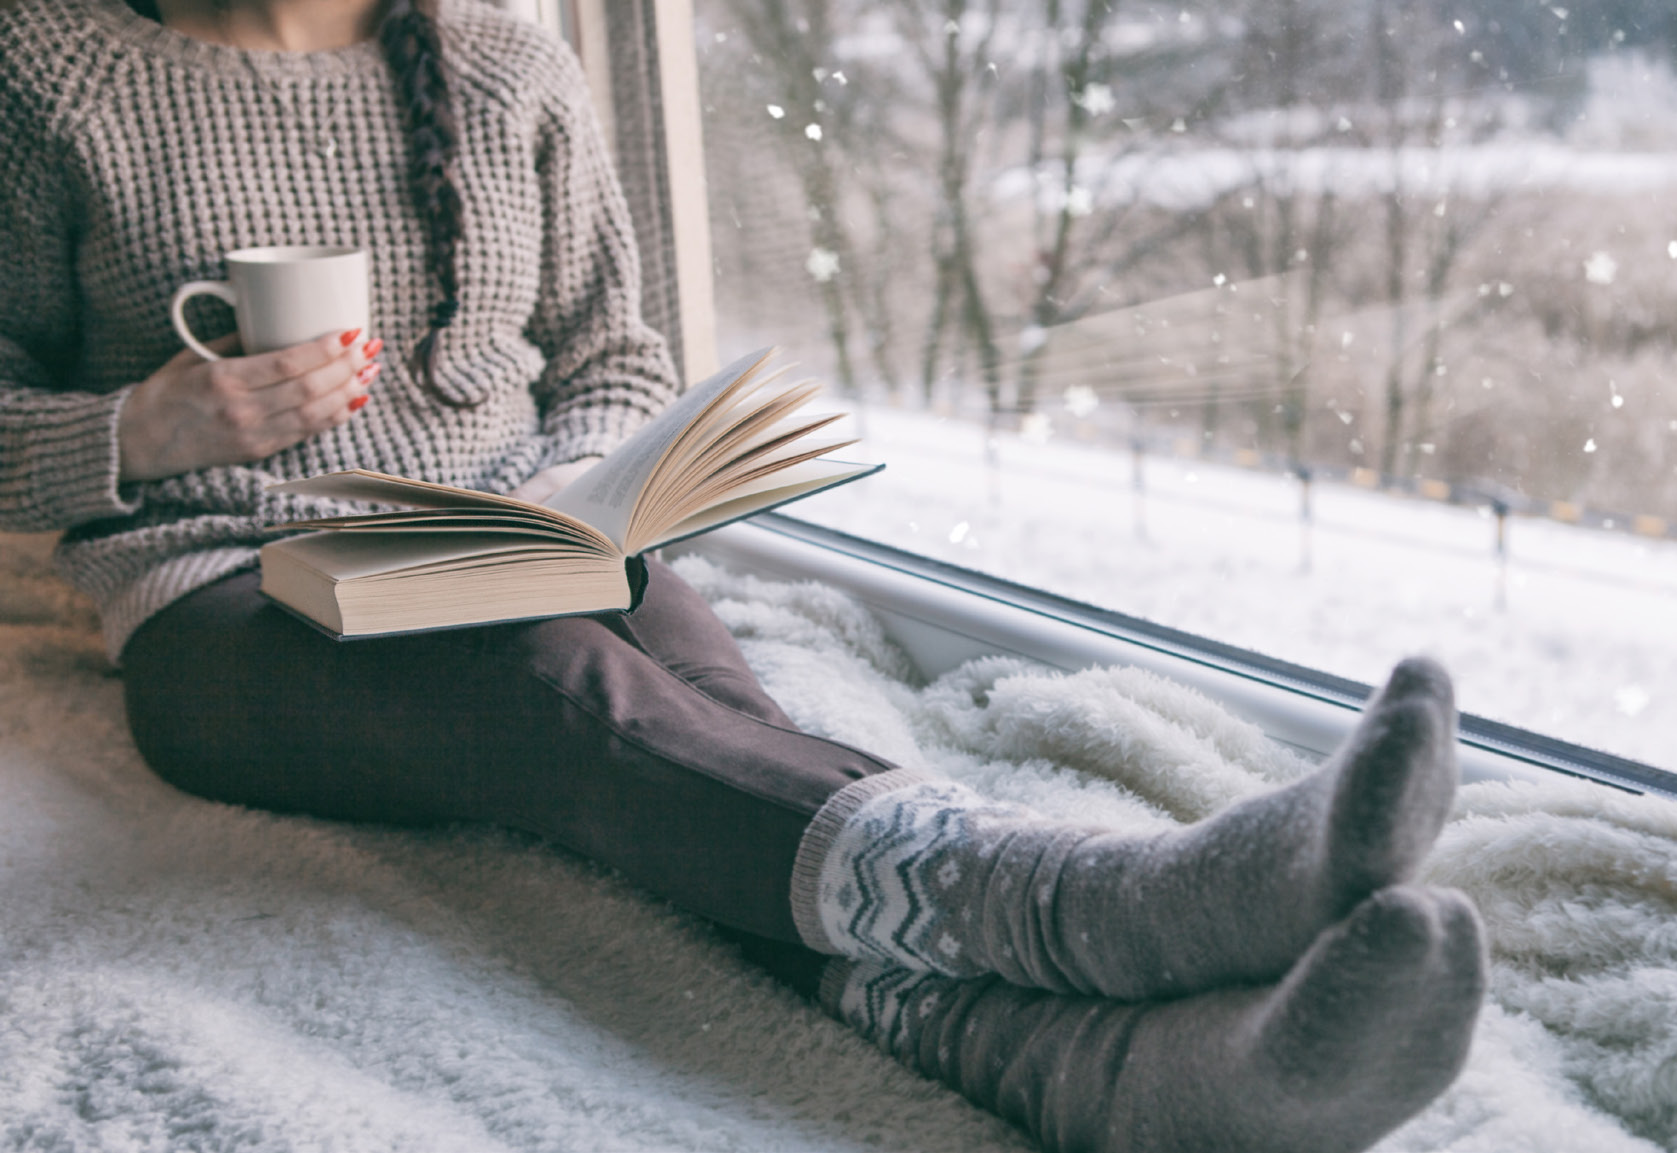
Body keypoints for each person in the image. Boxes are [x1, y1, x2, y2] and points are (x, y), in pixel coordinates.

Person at [0, 0, 1488, 1148]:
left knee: (718, 739)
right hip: (228, 605)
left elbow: (614, 361)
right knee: (570, 696)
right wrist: (147, 423)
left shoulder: (503, 66)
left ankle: (1117, 1079)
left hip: (519, 547)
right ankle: (1100, 902)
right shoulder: (50, 74)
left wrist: (548, 502)